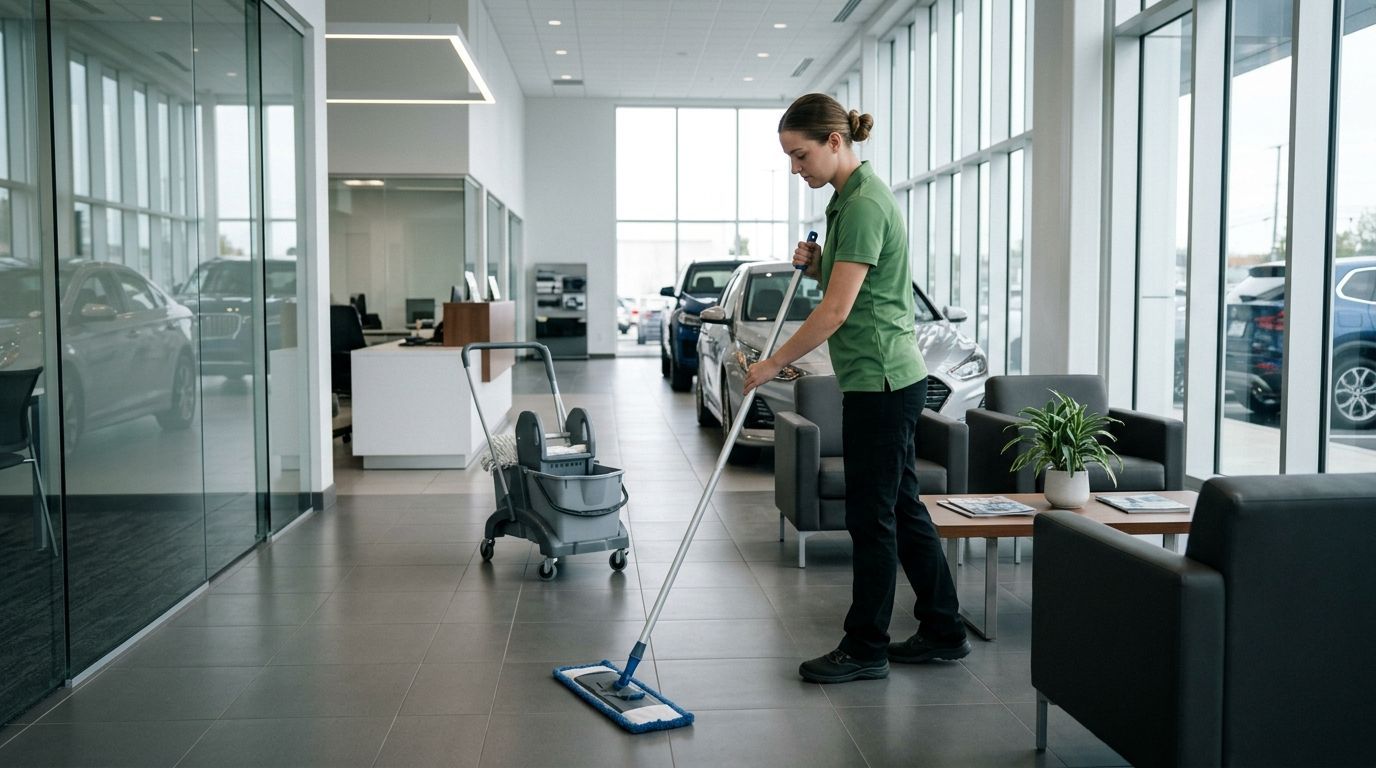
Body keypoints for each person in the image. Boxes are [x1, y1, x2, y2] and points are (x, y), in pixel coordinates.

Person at [743, 93, 970, 684]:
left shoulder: (865, 203)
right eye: (791, 159)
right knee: (899, 505)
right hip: (877, 376)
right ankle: (944, 628)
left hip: (884, 381)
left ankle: (865, 645)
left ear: (835, 142)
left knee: (873, 518)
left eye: (800, 155)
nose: (797, 169)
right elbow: (857, 286)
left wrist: (774, 365)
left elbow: (837, 312)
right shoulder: (845, 201)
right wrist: (818, 262)